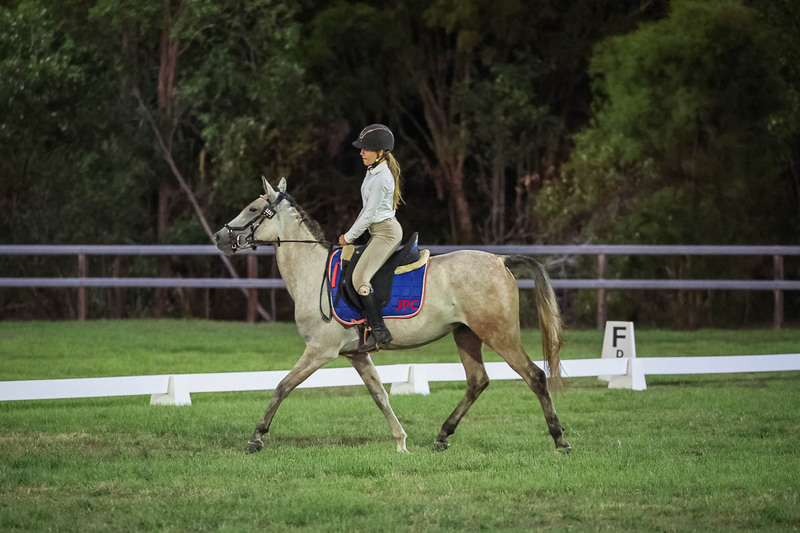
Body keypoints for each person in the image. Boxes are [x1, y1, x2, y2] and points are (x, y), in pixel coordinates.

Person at [339, 124, 404, 353]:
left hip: (386, 233)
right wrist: (351, 234)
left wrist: (349, 236)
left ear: (379, 152)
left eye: (366, 149)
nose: (361, 152)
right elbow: (366, 210)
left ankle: (379, 332)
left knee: (360, 280)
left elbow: (368, 214)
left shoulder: (381, 178)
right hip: (378, 231)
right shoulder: (373, 171)